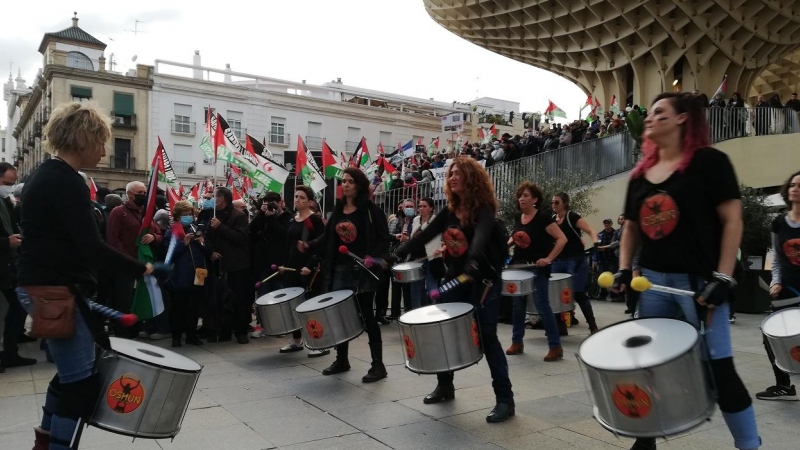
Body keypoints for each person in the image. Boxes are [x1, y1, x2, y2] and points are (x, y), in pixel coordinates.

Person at [15, 102, 168, 449]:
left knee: (71, 376)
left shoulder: (46, 174)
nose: (104, 151)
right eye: (101, 141)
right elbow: (92, 246)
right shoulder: (65, 181)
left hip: (50, 287)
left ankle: (45, 443)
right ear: (83, 138)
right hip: (55, 290)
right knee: (80, 383)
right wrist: (143, 268)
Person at [616, 92, 761, 450]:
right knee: (649, 365)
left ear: (683, 118)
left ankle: (749, 445)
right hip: (652, 284)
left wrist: (723, 277)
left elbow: (732, 220)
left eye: (659, 112)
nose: (649, 119)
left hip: (700, 284)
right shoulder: (640, 174)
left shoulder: (710, 162)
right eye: (649, 113)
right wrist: (623, 269)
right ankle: (645, 439)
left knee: (720, 369)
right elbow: (632, 228)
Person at [392, 157, 514, 423]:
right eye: (451, 173)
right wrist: (398, 253)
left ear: (471, 177)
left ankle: (505, 399)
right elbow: (425, 236)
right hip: (456, 279)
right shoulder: (448, 213)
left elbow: (481, 236)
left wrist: (472, 260)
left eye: (458, 173)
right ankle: (445, 385)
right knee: (443, 331)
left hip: (483, 282)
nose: (453, 177)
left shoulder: (484, 209)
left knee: (488, 336)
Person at [301, 168, 391, 383]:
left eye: (351, 181)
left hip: (362, 269)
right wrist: (309, 245)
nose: (347, 184)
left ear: (359, 185)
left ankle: (378, 365)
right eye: (344, 181)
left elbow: (384, 239)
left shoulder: (371, 210)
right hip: (340, 269)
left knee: (368, 317)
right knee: (339, 316)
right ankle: (342, 360)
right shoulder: (339, 209)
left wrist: (373, 257)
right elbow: (327, 237)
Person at [505, 182, 567, 356]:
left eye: (525, 195)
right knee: (518, 306)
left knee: (542, 305)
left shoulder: (543, 218)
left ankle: (555, 346)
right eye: (520, 195)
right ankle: (517, 342)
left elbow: (562, 239)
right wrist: (505, 246)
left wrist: (548, 259)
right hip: (519, 267)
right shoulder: (519, 218)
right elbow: (515, 237)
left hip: (537, 268)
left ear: (535, 199)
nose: (521, 199)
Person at [757, 171, 800, 401]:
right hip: (787, 289)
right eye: (793, 184)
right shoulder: (779, 222)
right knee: (771, 336)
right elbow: (777, 256)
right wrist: (776, 281)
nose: (795, 188)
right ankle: (784, 386)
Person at [106, 181, 164, 338]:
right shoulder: (118, 212)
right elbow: (113, 240)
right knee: (123, 301)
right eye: (140, 192)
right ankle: (122, 333)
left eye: (145, 192)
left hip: (143, 265)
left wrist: (153, 237)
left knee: (139, 298)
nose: (144, 195)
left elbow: (159, 234)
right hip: (125, 266)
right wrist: (127, 261)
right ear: (130, 194)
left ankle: (136, 329)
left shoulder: (146, 214)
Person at [277, 186, 329, 358]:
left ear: (310, 201)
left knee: (311, 305)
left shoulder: (314, 219)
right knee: (293, 305)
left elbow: (322, 245)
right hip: (292, 267)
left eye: (301, 197)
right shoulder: (293, 219)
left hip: (309, 269)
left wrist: (311, 265)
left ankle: (320, 342)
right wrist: (283, 265)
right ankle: (297, 340)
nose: (297, 200)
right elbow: (288, 245)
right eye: (296, 196)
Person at [0, 162, 36, 371]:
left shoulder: (6, 202)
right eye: (6, 183)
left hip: (9, 264)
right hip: (4, 261)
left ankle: (11, 350)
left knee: (17, 305)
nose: (9, 188)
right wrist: (7, 242)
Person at [550, 192, 600, 334]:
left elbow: (590, 230)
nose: (553, 205)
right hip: (558, 261)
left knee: (578, 293)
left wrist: (596, 241)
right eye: (552, 202)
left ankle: (592, 325)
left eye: (557, 202)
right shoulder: (552, 219)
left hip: (575, 260)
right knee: (555, 294)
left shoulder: (572, 217)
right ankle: (560, 326)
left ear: (565, 203)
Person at [208, 187, 251, 344]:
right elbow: (207, 236)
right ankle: (222, 330)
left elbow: (239, 238)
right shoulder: (212, 215)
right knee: (219, 299)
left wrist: (221, 227)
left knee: (238, 299)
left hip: (236, 265)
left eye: (215, 197)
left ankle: (241, 331)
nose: (213, 200)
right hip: (218, 264)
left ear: (222, 198)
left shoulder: (239, 216)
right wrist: (211, 251)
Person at [163, 201, 208, 348]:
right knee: (177, 308)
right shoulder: (172, 231)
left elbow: (203, 250)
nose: (188, 217)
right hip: (178, 276)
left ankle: (191, 335)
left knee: (193, 308)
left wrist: (202, 243)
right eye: (185, 215)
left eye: (190, 214)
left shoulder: (194, 228)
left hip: (196, 275)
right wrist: (184, 243)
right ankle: (176, 337)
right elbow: (168, 255)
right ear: (177, 216)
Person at [409, 197, 441, 308]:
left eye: (424, 206)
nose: (421, 209)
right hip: (416, 259)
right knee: (415, 290)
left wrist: (442, 248)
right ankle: (416, 315)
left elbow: (446, 239)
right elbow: (413, 238)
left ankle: (435, 313)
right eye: (420, 206)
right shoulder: (416, 220)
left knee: (433, 290)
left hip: (431, 259)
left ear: (431, 208)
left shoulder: (436, 220)